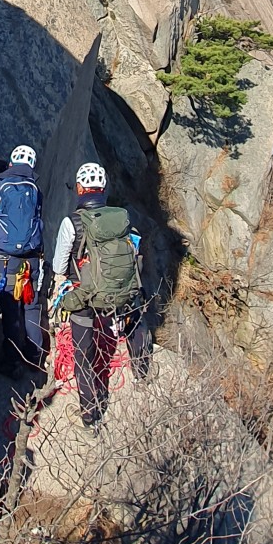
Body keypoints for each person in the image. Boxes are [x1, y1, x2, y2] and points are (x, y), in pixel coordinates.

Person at [51, 162, 152, 431]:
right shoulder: (122, 217)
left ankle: (90, 412)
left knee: (83, 354)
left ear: (81, 188)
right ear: (104, 189)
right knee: (134, 317)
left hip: (84, 296)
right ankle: (142, 371)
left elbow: (59, 266)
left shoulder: (71, 222)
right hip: (120, 293)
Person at [0, 145, 45, 379]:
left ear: (10, 163)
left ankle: (12, 360)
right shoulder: (36, 189)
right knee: (31, 306)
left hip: (5, 260)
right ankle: (35, 356)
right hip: (32, 258)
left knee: (10, 309)